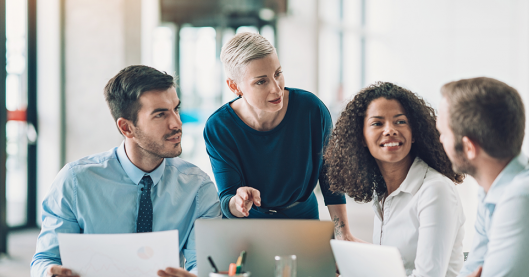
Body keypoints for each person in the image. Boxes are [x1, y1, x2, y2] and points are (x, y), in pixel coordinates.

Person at [31, 65, 221, 277]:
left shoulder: (198, 187)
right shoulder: (75, 181)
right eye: (160, 115)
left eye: (176, 109)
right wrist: (50, 273)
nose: (177, 123)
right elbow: (46, 259)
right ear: (126, 128)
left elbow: (203, 264)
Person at [203, 32, 359, 240]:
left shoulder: (311, 110)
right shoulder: (219, 127)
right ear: (234, 86)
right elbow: (228, 197)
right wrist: (238, 202)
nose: (276, 88)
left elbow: (330, 176)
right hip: (249, 228)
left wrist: (343, 233)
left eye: (278, 73)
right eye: (261, 82)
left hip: (303, 219)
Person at [324, 82, 466, 277]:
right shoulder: (383, 195)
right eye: (377, 123)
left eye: (400, 122)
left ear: (414, 133)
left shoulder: (435, 190)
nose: (390, 130)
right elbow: (395, 268)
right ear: (362, 138)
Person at [436, 77, 529, 277]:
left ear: (469, 148)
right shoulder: (493, 187)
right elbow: (474, 269)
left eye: (443, 134)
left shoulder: (523, 200)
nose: (440, 140)